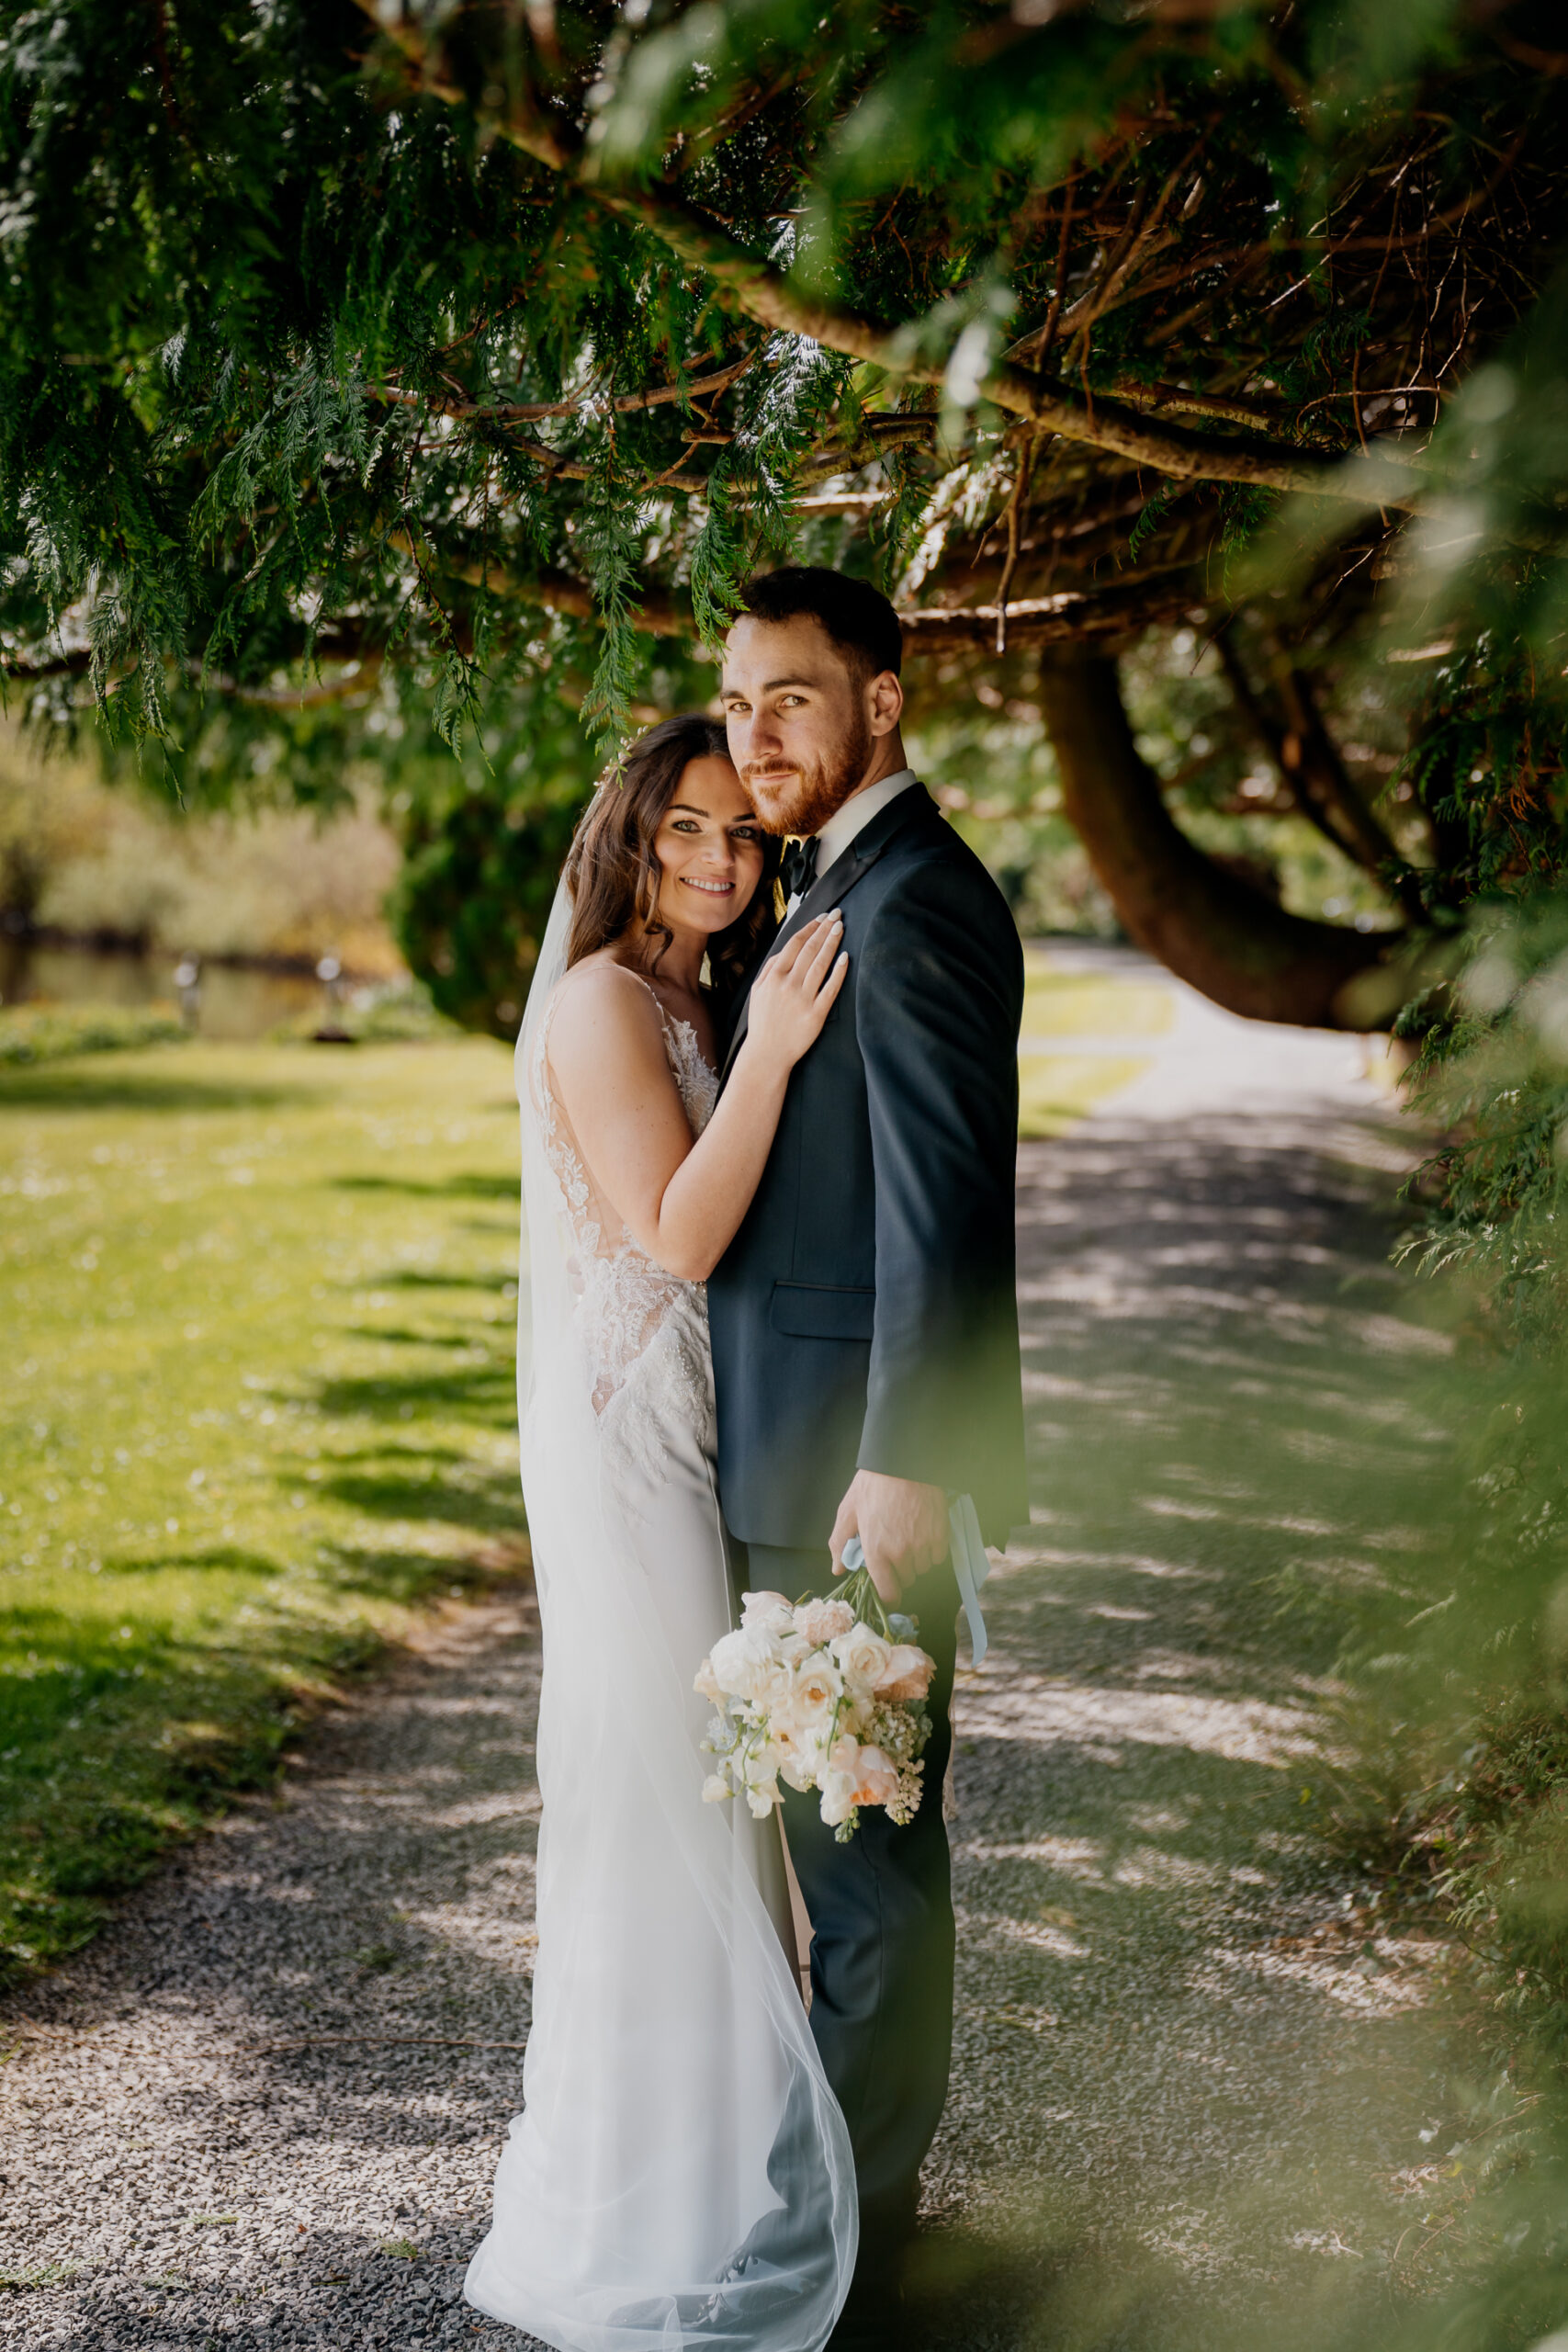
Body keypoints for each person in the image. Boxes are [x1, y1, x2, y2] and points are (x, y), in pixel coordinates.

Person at [465, 713, 859, 2351]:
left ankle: (724, 2173)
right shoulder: (601, 1006)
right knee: (662, 1800)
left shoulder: (698, 990)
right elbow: (679, 1238)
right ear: (631, 833)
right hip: (631, 1448)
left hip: (705, 1433)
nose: (716, 859)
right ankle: (646, 2205)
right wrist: (767, 1055)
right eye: (685, 829)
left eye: (741, 838)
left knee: (727, 1802)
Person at [710, 568, 1028, 2350]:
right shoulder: (836, 883)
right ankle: (828, 2220)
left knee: (870, 1876)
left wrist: (910, 1457)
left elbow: (943, 1209)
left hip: (855, 1478)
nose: (756, 732)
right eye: (739, 699)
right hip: (793, 1462)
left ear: (883, 701)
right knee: (838, 1864)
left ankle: (844, 2271)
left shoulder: (913, 901)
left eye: (792, 698)